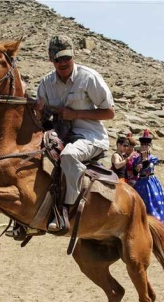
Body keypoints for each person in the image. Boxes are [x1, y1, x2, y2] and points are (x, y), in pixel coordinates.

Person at [36, 35, 115, 231]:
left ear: (73, 55)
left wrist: (75, 114)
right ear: (50, 59)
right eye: (57, 59)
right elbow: (42, 118)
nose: (63, 63)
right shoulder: (46, 83)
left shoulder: (89, 77)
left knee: (69, 155)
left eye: (66, 58)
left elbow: (109, 112)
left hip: (89, 136)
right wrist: (38, 112)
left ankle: (65, 210)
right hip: (59, 136)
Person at [132, 129, 164, 226]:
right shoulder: (136, 159)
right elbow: (135, 173)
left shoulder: (152, 158)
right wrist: (137, 168)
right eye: (143, 144)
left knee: (154, 202)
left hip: (150, 183)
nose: (144, 146)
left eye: (146, 145)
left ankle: (159, 224)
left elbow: (148, 166)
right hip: (140, 183)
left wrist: (144, 159)